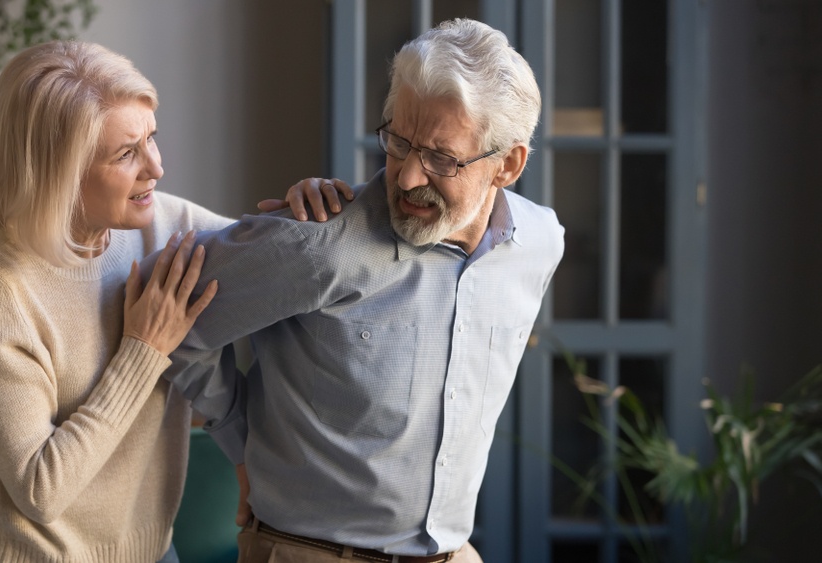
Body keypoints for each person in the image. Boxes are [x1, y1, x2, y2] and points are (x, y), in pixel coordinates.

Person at [156, 18, 565, 563]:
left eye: (442, 158)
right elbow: (172, 316)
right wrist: (243, 446)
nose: (409, 178)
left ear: (507, 165)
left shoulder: (540, 242)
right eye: (399, 142)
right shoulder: (319, 242)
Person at [0, 40, 349, 563]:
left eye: (151, 139)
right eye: (126, 154)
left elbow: (286, 267)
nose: (155, 168)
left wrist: (317, 209)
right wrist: (143, 348)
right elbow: (40, 490)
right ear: (60, 172)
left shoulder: (166, 224)